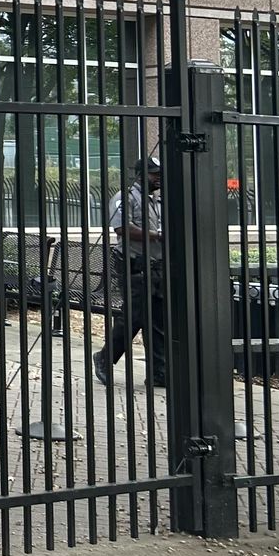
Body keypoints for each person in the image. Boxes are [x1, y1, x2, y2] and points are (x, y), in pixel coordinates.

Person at [95, 156, 166, 386]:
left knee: (158, 319)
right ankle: (105, 358)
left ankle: (158, 372)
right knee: (134, 317)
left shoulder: (156, 200)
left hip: (156, 266)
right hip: (132, 263)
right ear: (140, 174)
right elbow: (122, 228)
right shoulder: (124, 198)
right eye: (154, 174)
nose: (158, 178)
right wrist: (156, 236)